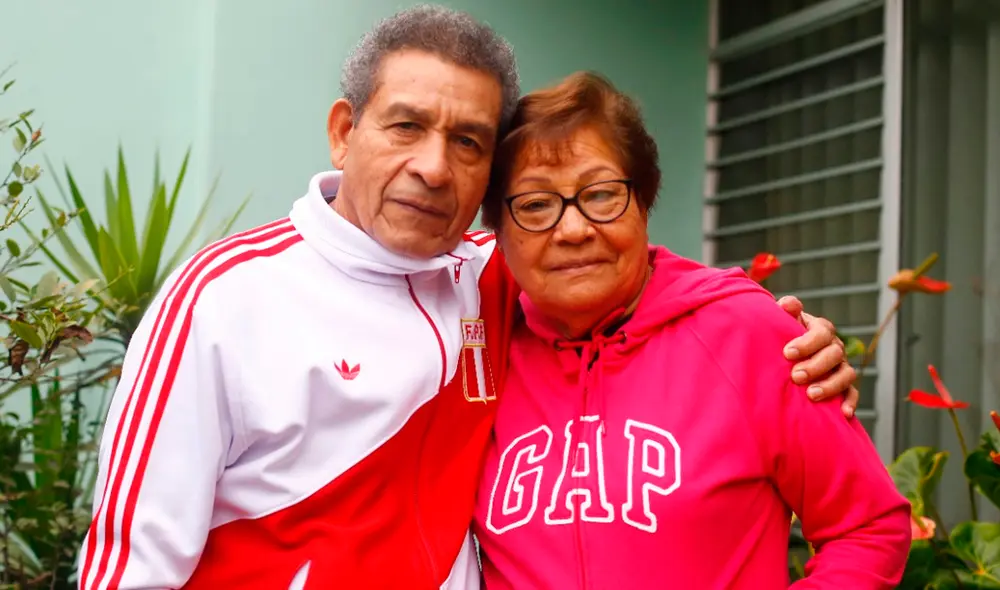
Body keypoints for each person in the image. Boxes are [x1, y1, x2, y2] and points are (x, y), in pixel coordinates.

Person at [76, 6, 859, 589]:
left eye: (468, 142)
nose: (433, 168)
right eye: (405, 126)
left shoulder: (496, 271)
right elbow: (130, 563)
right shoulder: (223, 299)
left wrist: (764, 323)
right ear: (345, 131)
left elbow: (628, 262)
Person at [472, 71, 911, 589]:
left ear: (644, 202)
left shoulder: (746, 335)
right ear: (497, 231)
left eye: (602, 194)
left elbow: (868, 526)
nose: (573, 229)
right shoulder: (476, 344)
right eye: (535, 205)